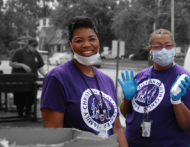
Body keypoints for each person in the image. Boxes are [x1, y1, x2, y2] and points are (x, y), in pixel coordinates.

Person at [40, 16, 128, 146]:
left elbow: (117, 129)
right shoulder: (57, 78)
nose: (86, 44)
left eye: (92, 39)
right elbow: (54, 134)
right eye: (79, 40)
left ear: (98, 42)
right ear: (70, 45)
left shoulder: (107, 81)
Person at [118, 29, 190, 147]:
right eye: (157, 46)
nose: (164, 50)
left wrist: (177, 101)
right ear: (150, 50)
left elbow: (188, 126)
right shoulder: (140, 77)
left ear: (174, 48)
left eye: (168, 45)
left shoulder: (184, 80)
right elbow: (126, 114)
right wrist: (127, 99)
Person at [9, 38, 46, 118]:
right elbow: (11, 63)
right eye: (33, 46)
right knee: (20, 98)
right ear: (28, 45)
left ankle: (28, 111)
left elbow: (40, 67)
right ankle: (21, 112)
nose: (34, 48)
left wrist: (46, 75)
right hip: (20, 81)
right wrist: (22, 65)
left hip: (31, 81)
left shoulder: (36, 54)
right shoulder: (19, 52)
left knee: (31, 97)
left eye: (36, 46)